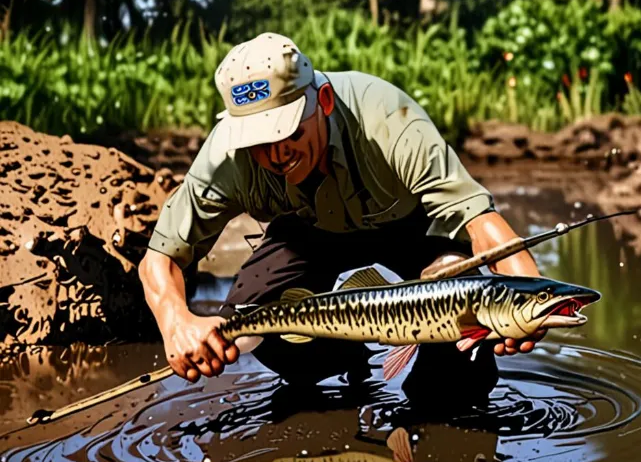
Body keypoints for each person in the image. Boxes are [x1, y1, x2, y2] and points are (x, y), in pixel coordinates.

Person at [138, 32, 544, 410]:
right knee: (250, 317)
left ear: (325, 100)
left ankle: (439, 405)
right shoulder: (225, 157)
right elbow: (161, 258)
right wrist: (175, 321)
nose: (275, 153)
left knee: (456, 370)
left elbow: (479, 221)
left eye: (287, 130)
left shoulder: (389, 119)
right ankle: (347, 355)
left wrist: (523, 293)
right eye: (258, 142)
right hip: (307, 234)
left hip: (410, 228)